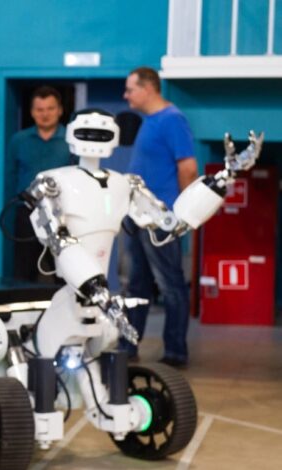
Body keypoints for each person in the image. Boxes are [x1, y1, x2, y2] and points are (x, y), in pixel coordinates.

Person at [121, 66, 197, 368]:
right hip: (138, 217)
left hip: (159, 219)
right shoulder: (149, 121)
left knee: (171, 285)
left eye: (130, 89)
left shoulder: (172, 119)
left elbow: (188, 168)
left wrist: (182, 216)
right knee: (136, 286)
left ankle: (176, 351)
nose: (126, 95)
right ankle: (128, 345)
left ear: (148, 88)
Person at [8, 86, 72, 281]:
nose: (45, 114)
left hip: (62, 215)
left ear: (60, 110)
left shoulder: (71, 141)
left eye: (50, 108)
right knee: (23, 270)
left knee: (65, 270)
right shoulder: (19, 141)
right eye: (40, 109)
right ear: (32, 112)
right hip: (27, 214)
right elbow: (10, 175)